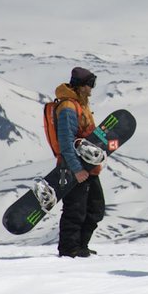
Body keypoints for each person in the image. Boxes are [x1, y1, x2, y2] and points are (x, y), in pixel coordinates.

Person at [54, 66, 105, 258]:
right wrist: (76, 169)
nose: (92, 89)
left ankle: (81, 244)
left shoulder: (81, 104)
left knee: (95, 209)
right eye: (90, 85)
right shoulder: (68, 107)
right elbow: (65, 141)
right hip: (73, 167)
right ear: (81, 86)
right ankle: (69, 248)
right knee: (75, 210)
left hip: (88, 167)